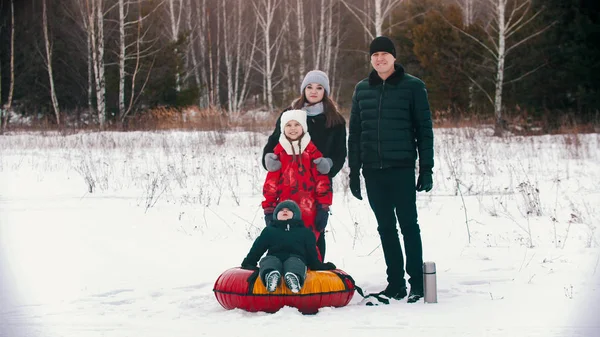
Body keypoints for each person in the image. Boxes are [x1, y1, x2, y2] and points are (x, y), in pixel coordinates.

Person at [347, 36, 434, 304]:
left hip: (402, 168)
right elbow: (356, 134)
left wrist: (426, 168)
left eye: (385, 54)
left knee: (409, 226)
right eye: (375, 55)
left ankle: (417, 284)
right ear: (370, 59)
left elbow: (424, 131)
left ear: (394, 57)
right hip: (373, 171)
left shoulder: (414, 87)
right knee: (385, 228)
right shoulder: (362, 89)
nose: (380, 59)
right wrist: (354, 172)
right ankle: (395, 284)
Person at [261, 70, 346, 259]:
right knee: (283, 229)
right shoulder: (290, 115)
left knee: (315, 230)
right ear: (303, 89)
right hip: (287, 183)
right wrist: (268, 159)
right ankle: (283, 268)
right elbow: (275, 140)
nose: (313, 91)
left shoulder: (335, 120)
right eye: (309, 87)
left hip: (317, 184)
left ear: (325, 91)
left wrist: (328, 165)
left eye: (319, 87)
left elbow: (340, 153)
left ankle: (316, 272)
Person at [261, 109, 332, 260]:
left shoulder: (312, 152)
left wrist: (323, 207)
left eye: (296, 124)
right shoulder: (278, 154)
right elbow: (271, 185)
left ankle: (314, 273)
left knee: (310, 243)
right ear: (283, 128)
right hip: (285, 210)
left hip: (309, 210)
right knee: (285, 242)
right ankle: (285, 271)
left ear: (304, 128)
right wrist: (269, 209)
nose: (292, 128)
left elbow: (322, 182)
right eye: (288, 125)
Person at [241, 200, 337, 293]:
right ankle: (271, 276)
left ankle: (293, 278)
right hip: (274, 257)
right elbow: (258, 248)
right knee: (268, 261)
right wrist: (249, 262)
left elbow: (311, 253)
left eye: (289, 210)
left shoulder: (305, 233)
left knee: (296, 263)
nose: (285, 211)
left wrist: (318, 265)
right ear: (275, 215)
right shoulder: (269, 231)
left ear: (296, 215)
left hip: (296, 258)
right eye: (281, 210)